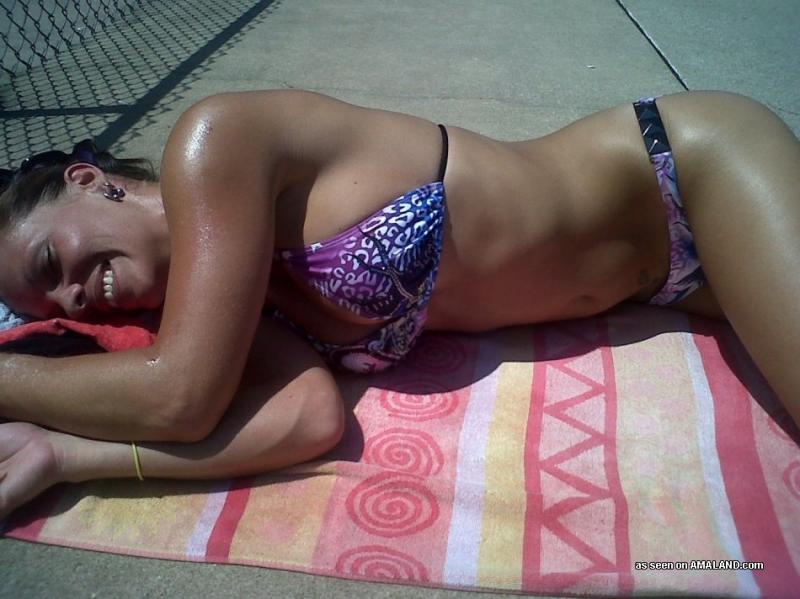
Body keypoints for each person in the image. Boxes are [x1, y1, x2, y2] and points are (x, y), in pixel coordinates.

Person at [0, 89, 798, 520]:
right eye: (51, 301)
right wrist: (69, 456)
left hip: (686, 171)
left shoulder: (213, 143)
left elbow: (179, 396)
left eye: (49, 261)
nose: (72, 294)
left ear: (85, 180)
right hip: (671, 286)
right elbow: (307, 419)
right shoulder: (225, 310)